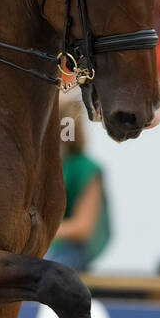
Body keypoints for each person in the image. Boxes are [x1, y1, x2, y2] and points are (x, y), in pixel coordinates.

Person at [44, 97, 111, 272]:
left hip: (67, 249)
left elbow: (82, 228)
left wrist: (36, 233)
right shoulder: (37, 164)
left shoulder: (86, 168)